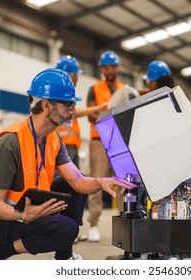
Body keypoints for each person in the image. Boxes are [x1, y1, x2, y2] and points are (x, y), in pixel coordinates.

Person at [0, 68, 134, 260]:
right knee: (67, 231)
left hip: (26, 205)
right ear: (47, 105)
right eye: (68, 105)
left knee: (74, 188)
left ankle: (64, 257)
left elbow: (78, 182)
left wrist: (102, 181)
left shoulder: (53, 139)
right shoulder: (9, 143)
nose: (73, 111)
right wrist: (23, 216)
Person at [86, 50, 125, 242]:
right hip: (99, 141)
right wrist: (110, 115)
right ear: (102, 69)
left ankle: (126, 219)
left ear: (117, 68)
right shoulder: (94, 88)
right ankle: (93, 223)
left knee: (123, 182)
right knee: (97, 182)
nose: (109, 69)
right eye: (106, 67)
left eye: (112, 66)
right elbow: (91, 115)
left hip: (118, 142)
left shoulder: (123, 88)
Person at [55, 55, 106, 169]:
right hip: (62, 145)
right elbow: (72, 112)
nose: (77, 78)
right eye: (75, 74)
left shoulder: (65, 91)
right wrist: (96, 108)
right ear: (68, 75)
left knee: (73, 183)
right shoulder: (60, 92)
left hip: (70, 145)